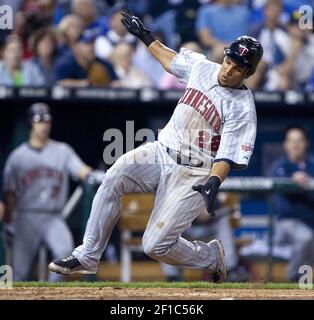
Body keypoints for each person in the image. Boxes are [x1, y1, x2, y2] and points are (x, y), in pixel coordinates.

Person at [49, 9, 263, 284]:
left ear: (247, 73)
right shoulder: (203, 68)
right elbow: (168, 59)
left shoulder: (243, 107)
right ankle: (88, 255)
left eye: (238, 68)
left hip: (194, 172)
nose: (229, 69)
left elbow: (228, 155)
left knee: (155, 245)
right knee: (113, 177)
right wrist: (145, 35)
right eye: (229, 60)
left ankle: (210, 256)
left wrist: (213, 181)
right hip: (161, 151)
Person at [2, 103, 102, 281]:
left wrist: (97, 175)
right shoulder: (18, 156)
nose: (44, 125)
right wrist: (9, 222)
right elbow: (9, 193)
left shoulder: (62, 151)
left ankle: (48, 293)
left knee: (64, 253)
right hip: (26, 216)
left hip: (53, 217)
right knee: (19, 271)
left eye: (47, 120)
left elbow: (82, 171)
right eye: (39, 120)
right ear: (30, 123)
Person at [269, 125, 314, 282]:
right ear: (285, 145)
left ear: (306, 143)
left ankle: (304, 286)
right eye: (292, 141)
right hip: (286, 224)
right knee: (306, 236)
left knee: (309, 238)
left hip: (310, 223)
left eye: (299, 140)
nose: (295, 144)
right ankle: (294, 277)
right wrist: (294, 180)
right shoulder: (280, 166)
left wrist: (307, 182)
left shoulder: (312, 165)